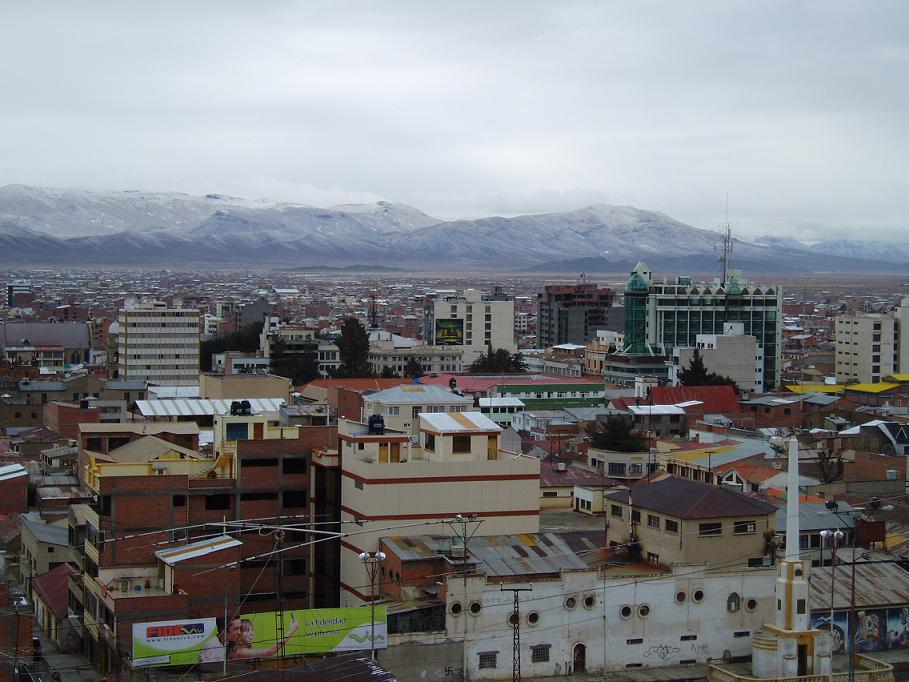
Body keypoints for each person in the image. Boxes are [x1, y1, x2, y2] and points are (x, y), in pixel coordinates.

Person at [228, 615, 298, 660]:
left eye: (252, 630)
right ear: (240, 633)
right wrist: (291, 630)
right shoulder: (239, 651)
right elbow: (270, 652)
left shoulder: (239, 649)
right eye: (247, 630)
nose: (251, 633)